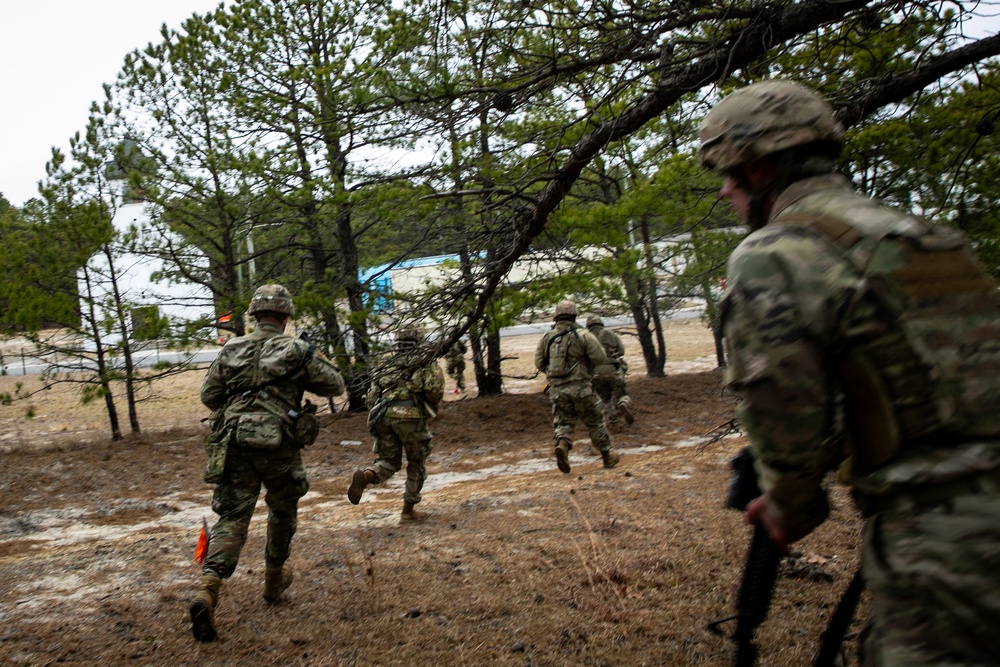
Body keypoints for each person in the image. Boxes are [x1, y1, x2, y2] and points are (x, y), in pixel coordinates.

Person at [700, 79, 1000, 665]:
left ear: (761, 171)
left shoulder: (776, 253)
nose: (726, 192)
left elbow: (783, 407)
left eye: (730, 177)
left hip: (948, 534)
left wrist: (790, 504)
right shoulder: (927, 237)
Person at [190, 284, 345, 643]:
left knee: (231, 519)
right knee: (282, 511)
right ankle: (274, 583)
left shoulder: (231, 348)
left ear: (253, 314)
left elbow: (208, 396)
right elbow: (335, 385)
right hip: (279, 446)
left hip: (236, 444)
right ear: (286, 315)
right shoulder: (297, 349)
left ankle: (208, 590)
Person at [347, 324, 445, 522]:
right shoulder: (425, 359)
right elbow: (435, 390)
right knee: (416, 463)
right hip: (410, 417)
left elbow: (372, 394)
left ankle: (367, 476)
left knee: (389, 461)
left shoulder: (385, 361)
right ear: (419, 339)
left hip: (383, 416)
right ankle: (408, 512)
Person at [534, 300, 620, 473]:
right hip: (581, 388)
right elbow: (599, 358)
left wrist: (555, 375)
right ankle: (607, 457)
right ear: (574, 315)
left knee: (563, 423)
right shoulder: (583, 335)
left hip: (557, 389)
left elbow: (539, 363)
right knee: (595, 421)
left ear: (556, 316)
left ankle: (563, 445)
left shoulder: (547, 337)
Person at [585, 315, 634, 426]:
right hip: (613, 370)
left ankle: (614, 421)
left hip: (596, 373)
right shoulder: (611, 334)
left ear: (588, 326)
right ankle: (623, 403)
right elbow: (621, 352)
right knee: (622, 393)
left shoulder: (586, 337)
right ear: (600, 323)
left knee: (605, 398)